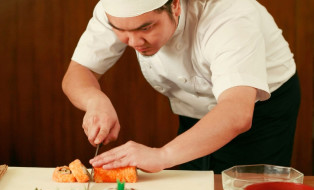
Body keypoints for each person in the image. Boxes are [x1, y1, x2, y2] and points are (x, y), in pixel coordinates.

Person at [62, 0, 300, 174]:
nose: (133, 42)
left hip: (261, 111)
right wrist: (96, 101)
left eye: (145, 28)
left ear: (175, 5)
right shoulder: (115, 11)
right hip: (193, 111)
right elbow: (78, 73)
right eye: (121, 31)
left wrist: (162, 155)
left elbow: (237, 113)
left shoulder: (229, 16)